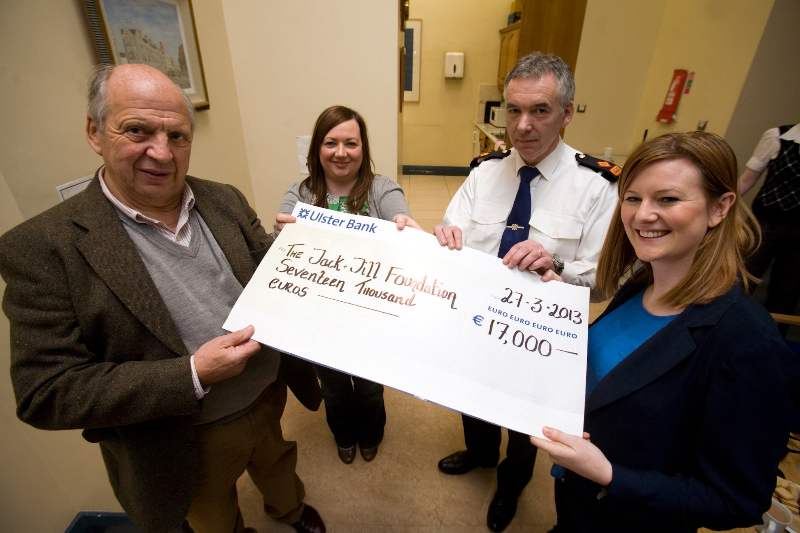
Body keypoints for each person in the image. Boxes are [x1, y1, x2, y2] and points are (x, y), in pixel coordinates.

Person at [0, 64, 326, 533]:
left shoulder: (224, 198)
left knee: (278, 465)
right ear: (95, 132)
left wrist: (312, 250)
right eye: (137, 130)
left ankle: (289, 510)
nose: (161, 153)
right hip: (181, 436)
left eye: (178, 136)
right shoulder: (41, 248)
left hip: (269, 395)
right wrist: (191, 374)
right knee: (214, 517)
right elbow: (46, 392)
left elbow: (265, 273)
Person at [532, 131, 800, 532]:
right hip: (577, 501)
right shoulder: (642, 283)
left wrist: (609, 474)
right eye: (634, 198)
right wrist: (550, 313)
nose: (642, 215)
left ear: (720, 208)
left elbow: (736, 500)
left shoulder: (747, 342)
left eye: (668, 199)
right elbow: (621, 366)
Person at [433, 52, 619, 532]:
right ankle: (478, 452)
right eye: (513, 110)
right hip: (475, 318)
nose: (523, 125)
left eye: (540, 110)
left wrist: (555, 264)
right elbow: (450, 234)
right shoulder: (483, 172)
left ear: (568, 112)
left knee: (523, 420)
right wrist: (443, 239)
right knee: (471, 394)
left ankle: (512, 482)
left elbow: (604, 280)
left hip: (538, 333)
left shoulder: (597, 187)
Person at [274, 105, 420, 465]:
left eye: (350, 143)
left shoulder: (382, 189)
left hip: (370, 315)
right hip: (320, 318)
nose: (341, 153)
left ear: (363, 148)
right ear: (317, 150)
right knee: (335, 388)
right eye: (331, 143)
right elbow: (278, 254)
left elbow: (399, 213)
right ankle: (344, 434)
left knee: (370, 388)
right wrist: (278, 236)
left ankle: (371, 433)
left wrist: (403, 223)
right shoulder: (299, 194)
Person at [738, 123, 800, 336]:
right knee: (740, 281)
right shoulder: (777, 137)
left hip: (798, 233)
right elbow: (746, 180)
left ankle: (773, 342)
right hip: (764, 224)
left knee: (786, 293)